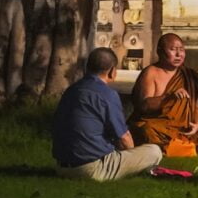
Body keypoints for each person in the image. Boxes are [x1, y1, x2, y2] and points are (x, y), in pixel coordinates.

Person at [52, 48, 163, 181]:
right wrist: (131, 156)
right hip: (91, 169)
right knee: (154, 151)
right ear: (112, 71)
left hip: (61, 167)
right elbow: (124, 139)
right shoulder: (107, 94)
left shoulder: (72, 90)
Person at [127, 33, 198, 157]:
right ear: (160, 52)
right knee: (146, 130)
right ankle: (182, 147)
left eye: (181, 50)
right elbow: (143, 106)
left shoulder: (187, 75)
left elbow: (195, 107)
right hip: (159, 125)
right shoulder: (151, 73)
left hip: (182, 128)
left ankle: (174, 147)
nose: (179, 55)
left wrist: (196, 125)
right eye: (173, 50)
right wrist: (168, 97)